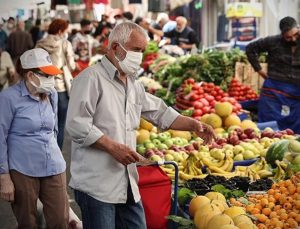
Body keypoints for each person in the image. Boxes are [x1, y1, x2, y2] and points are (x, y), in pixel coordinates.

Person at [66, 21, 215, 228]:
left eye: (142, 51)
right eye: (136, 49)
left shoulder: (133, 84)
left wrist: (194, 124)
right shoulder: (90, 79)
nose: (140, 56)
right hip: (97, 186)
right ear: (116, 47)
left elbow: (160, 112)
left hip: (127, 182)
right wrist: (112, 147)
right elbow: (76, 124)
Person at [0, 48, 69, 228]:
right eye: (46, 75)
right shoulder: (8, 98)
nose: (51, 80)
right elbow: (1, 138)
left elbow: (54, 130)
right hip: (23, 169)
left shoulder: (52, 94)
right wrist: (4, 177)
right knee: (28, 222)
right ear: (30, 75)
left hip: (53, 164)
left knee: (61, 220)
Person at [246, 16, 300, 133]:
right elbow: (250, 49)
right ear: (282, 35)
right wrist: (259, 70)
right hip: (274, 89)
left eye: (296, 34)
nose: (293, 39)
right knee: (268, 127)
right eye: (288, 37)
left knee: (296, 126)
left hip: (297, 91)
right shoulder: (273, 41)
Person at [36, 19, 76, 150]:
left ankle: (44, 150)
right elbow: (72, 65)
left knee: (44, 123)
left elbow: (35, 66)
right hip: (61, 88)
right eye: (65, 30)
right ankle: (56, 153)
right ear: (60, 31)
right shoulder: (65, 44)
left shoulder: (39, 44)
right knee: (60, 123)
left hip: (42, 88)